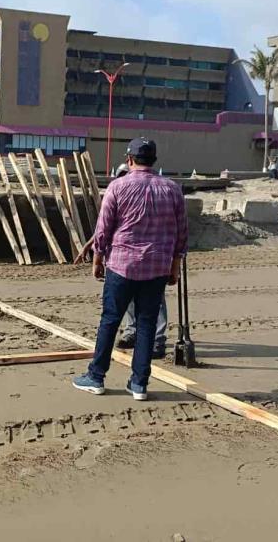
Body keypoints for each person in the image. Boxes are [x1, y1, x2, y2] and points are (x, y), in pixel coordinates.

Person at [72, 138, 188, 401]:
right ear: (154, 161)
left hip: (122, 265)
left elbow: (104, 229)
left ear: (129, 160)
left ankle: (96, 376)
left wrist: (97, 259)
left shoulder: (118, 186)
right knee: (146, 324)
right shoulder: (172, 190)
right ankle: (139, 384)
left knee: (110, 320)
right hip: (157, 266)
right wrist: (175, 266)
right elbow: (181, 234)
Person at [75, 162, 169, 359]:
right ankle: (131, 333)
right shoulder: (120, 191)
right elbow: (106, 226)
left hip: (149, 258)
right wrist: (91, 246)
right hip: (126, 261)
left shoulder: (153, 194)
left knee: (153, 306)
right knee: (131, 302)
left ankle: (157, 341)